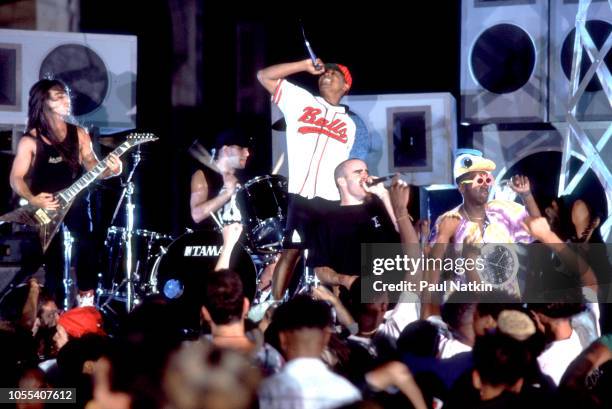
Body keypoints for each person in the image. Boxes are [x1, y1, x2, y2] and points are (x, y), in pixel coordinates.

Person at [257, 58, 371, 300]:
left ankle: (338, 311)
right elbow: (264, 76)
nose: (326, 75)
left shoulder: (354, 124)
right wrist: (303, 66)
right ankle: (276, 308)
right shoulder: (300, 100)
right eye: (323, 73)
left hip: (333, 200)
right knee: (290, 253)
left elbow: (355, 166)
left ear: (346, 86)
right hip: (301, 197)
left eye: (334, 73)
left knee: (333, 260)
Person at [9, 79, 122, 307]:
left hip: (77, 201)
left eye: (66, 94)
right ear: (44, 103)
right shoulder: (30, 140)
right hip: (46, 204)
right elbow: (16, 177)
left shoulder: (79, 133)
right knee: (53, 261)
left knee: (89, 244)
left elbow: (92, 165)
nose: (66, 99)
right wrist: (33, 198)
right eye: (58, 96)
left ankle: (86, 299)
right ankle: (55, 309)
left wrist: (111, 170)